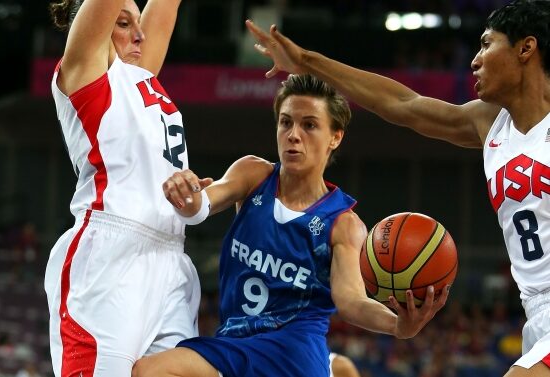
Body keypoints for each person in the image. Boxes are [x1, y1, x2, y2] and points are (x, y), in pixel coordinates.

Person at [244, 0, 550, 376]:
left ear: (526, 48)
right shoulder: (489, 124)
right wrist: (307, 61)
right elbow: (402, 104)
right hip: (535, 314)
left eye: (487, 44)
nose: (475, 59)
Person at [131, 74, 449, 377]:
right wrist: (187, 195)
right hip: (233, 343)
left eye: (309, 125)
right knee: (149, 370)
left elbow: (351, 302)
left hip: (290, 356)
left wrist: (397, 326)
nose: (293, 134)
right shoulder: (253, 174)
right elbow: (205, 201)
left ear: (335, 137)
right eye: (286, 122)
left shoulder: (342, 223)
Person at [44, 0, 203, 376]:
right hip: (110, 257)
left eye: (138, 22)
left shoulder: (141, 77)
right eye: (122, 22)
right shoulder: (86, 74)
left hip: (171, 259)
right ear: (93, 28)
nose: (140, 32)